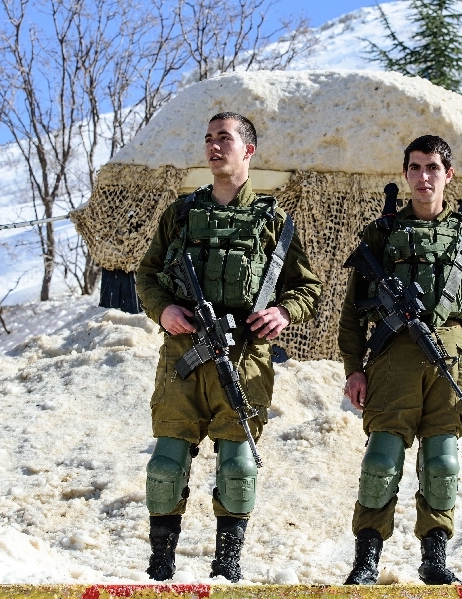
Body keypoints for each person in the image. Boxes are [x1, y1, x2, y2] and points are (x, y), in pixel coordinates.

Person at [135, 112, 322, 583]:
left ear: (248, 150)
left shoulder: (274, 221)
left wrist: (283, 313)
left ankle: (227, 568)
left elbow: (307, 288)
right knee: (165, 466)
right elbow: (148, 274)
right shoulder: (181, 214)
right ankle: (160, 569)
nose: (214, 146)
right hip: (184, 355)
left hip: (244, 358)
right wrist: (164, 310)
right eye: (209, 138)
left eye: (225, 138)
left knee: (238, 468)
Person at [338, 135, 462, 585]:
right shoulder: (380, 234)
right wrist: (354, 368)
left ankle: (435, 558)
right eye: (415, 167)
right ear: (405, 173)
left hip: (450, 361)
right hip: (391, 359)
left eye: (432, 167)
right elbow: (352, 312)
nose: (423, 177)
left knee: (442, 464)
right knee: (381, 461)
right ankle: (366, 560)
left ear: (448, 174)